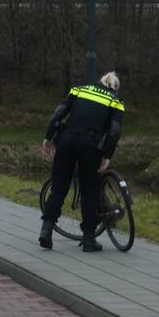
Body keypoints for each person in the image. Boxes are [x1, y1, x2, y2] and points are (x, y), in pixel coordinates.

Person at [40, 71, 125, 252]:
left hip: (67, 141)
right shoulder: (115, 101)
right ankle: (88, 239)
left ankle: (46, 230)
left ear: (100, 81)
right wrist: (107, 156)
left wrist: (48, 137)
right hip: (90, 146)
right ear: (115, 88)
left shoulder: (79, 90)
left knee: (58, 188)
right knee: (89, 192)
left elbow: (59, 113)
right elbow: (114, 132)